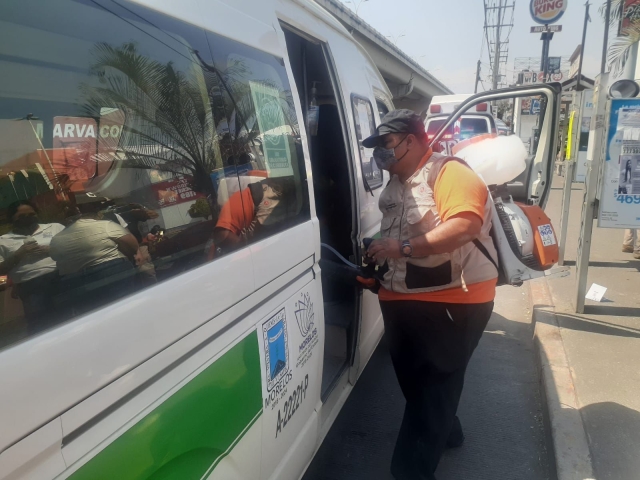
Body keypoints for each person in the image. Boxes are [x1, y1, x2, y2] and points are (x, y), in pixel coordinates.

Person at [359, 109, 499, 480]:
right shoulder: (396, 184)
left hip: (454, 300)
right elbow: (397, 233)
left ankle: (410, 471)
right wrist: (378, 250)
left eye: (386, 145)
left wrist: (402, 248)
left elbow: (464, 225)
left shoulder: (449, 172)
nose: (380, 154)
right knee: (416, 381)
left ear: (410, 140)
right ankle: (447, 430)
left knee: (433, 386)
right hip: (402, 298)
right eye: (376, 148)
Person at [49, 202, 139, 317]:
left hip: (74, 278)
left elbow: (55, 257)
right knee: (124, 307)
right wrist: (129, 256)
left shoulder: (56, 238)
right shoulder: (105, 225)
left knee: (93, 314)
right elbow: (133, 244)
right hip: (111, 268)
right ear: (97, 215)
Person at [0, 201, 65, 331]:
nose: (28, 218)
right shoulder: (3, 240)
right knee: (41, 325)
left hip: (62, 275)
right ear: (12, 218)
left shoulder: (55, 227)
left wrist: (51, 249)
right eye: (22, 216)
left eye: (31, 214)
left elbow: (74, 248)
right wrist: (19, 254)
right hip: (30, 285)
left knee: (69, 316)